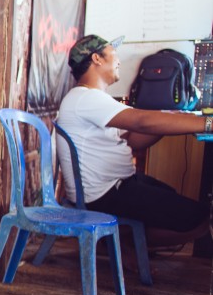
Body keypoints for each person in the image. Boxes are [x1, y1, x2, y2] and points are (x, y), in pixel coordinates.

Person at [56, 34, 211, 249]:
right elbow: (141, 121)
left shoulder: (91, 98)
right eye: (114, 52)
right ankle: (123, 243)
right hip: (104, 194)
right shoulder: (86, 98)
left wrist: (168, 118)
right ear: (97, 59)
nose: (118, 60)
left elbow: (132, 141)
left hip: (115, 185)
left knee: (171, 197)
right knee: (199, 218)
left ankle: (123, 242)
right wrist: (207, 123)